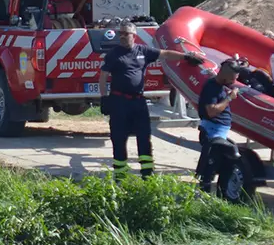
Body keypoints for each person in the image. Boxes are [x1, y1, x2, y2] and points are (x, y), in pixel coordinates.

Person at [99, 21, 204, 180]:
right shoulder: (113, 54)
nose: (122, 36)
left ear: (134, 35)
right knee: (119, 138)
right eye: (120, 33)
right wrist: (104, 98)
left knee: (144, 136)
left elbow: (165, 54)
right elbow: (103, 76)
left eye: (125, 33)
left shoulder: (143, 51)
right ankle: (120, 176)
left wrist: (187, 57)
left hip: (138, 102)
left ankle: (147, 174)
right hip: (119, 101)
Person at [195, 59, 240, 191]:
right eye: (232, 78)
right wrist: (229, 98)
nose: (234, 82)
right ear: (225, 74)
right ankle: (205, 188)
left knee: (221, 160)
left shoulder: (220, 86)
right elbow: (211, 111)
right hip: (213, 130)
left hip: (220, 130)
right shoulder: (211, 87)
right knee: (213, 160)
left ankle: (215, 188)